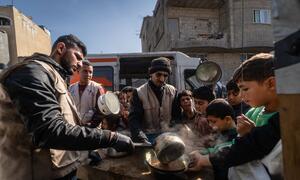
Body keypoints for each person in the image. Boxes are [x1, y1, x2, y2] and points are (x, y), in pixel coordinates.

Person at [0, 34, 134, 179]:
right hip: (33, 172)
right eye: (77, 56)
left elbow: (68, 124)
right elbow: (50, 130)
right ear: (61, 48)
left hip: (60, 169)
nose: (81, 64)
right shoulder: (31, 72)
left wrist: (87, 152)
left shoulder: (56, 77)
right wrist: (110, 138)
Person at [188, 53, 282, 180]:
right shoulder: (251, 114)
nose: (242, 96)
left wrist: (251, 134)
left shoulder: (287, 118)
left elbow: (248, 150)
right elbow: (236, 146)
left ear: (271, 83)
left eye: (245, 89)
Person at [128, 57, 180, 143]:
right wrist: (140, 137)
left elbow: (177, 117)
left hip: (167, 137)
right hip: (147, 137)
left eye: (165, 75)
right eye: (158, 75)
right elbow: (134, 120)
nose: (162, 79)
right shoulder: (139, 92)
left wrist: (176, 132)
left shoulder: (173, 91)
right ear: (151, 74)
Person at [189, 99, 237, 180]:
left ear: (227, 119)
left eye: (213, 121)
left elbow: (223, 155)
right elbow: (216, 149)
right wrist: (201, 152)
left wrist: (202, 159)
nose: (210, 125)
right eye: (209, 121)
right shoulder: (222, 132)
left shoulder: (237, 137)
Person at [69, 60, 105, 127]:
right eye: (85, 71)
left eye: (90, 72)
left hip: (92, 130)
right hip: (73, 127)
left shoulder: (98, 88)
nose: (88, 74)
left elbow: (101, 111)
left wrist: (91, 125)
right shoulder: (71, 88)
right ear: (78, 71)